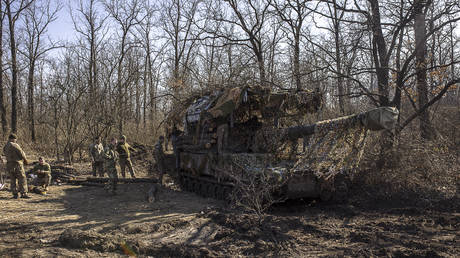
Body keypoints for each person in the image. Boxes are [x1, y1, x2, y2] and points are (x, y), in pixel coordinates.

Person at [3, 134, 30, 199]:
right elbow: (21, 153)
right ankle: (23, 193)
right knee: (22, 178)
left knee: (13, 179)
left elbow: (5, 154)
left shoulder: (5, 146)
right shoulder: (15, 145)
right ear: (13, 138)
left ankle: (15, 194)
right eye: (15, 139)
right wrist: (25, 160)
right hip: (17, 164)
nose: (16, 140)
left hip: (9, 164)